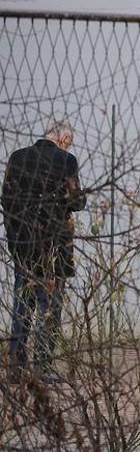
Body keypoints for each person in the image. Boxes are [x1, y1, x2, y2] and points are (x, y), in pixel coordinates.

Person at [2, 122, 85, 376]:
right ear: (60, 136)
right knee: (49, 306)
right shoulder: (67, 160)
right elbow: (76, 200)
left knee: (22, 304)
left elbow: (6, 199)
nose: (68, 144)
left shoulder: (17, 158)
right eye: (68, 139)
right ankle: (43, 365)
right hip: (53, 246)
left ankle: (16, 365)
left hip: (24, 247)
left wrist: (16, 239)